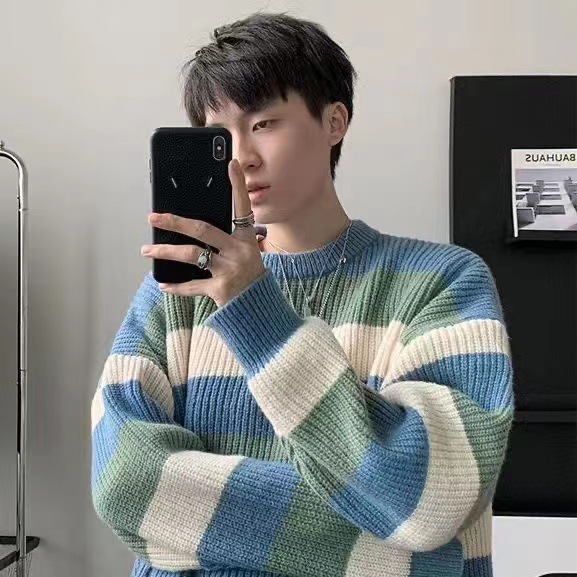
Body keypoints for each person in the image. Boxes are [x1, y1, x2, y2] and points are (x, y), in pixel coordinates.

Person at [90, 11, 514, 577]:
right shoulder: (176, 291)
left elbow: (429, 495)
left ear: (335, 121)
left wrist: (254, 311)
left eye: (264, 123)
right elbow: (125, 482)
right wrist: (394, 551)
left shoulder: (444, 281)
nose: (241, 156)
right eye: (220, 135)